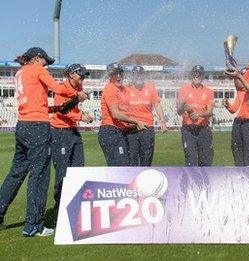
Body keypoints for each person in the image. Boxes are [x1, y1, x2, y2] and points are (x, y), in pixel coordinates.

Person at [0, 47, 87, 236]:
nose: (46, 64)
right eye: (45, 61)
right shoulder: (38, 69)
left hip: (23, 125)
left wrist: (56, 108)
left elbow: (36, 103)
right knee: (39, 176)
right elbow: (58, 88)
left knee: (16, 173)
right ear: (37, 58)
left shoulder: (21, 72)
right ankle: (34, 226)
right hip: (37, 127)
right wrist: (77, 94)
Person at [50, 64, 93, 219]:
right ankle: (59, 208)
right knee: (62, 171)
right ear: (70, 74)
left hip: (73, 131)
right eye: (80, 75)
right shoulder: (62, 88)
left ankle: (76, 204)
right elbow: (62, 111)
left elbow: (74, 106)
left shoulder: (78, 86)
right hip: (60, 132)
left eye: (84, 75)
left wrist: (81, 105)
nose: (82, 78)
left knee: (79, 167)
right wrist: (83, 117)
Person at [98, 63, 147, 166]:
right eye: (115, 74)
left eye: (120, 73)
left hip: (120, 132)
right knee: (120, 167)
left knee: (125, 166)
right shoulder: (110, 88)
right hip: (110, 131)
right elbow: (115, 114)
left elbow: (137, 94)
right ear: (109, 76)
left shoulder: (123, 89)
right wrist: (136, 121)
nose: (118, 76)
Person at [126, 65, 167, 166]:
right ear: (133, 76)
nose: (138, 76)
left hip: (147, 128)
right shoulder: (127, 88)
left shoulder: (150, 87)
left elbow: (157, 104)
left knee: (146, 160)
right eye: (136, 74)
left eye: (140, 74)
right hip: (132, 129)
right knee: (132, 160)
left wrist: (162, 120)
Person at [176, 65, 214, 166]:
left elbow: (210, 112)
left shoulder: (209, 92)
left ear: (202, 76)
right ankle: (191, 181)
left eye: (199, 74)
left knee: (206, 160)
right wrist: (183, 106)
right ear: (191, 75)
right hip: (188, 130)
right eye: (194, 74)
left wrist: (198, 114)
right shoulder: (184, 90)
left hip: (203, 129)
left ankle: (205, 181)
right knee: (190, 160)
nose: (196, 76)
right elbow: (179, 111)